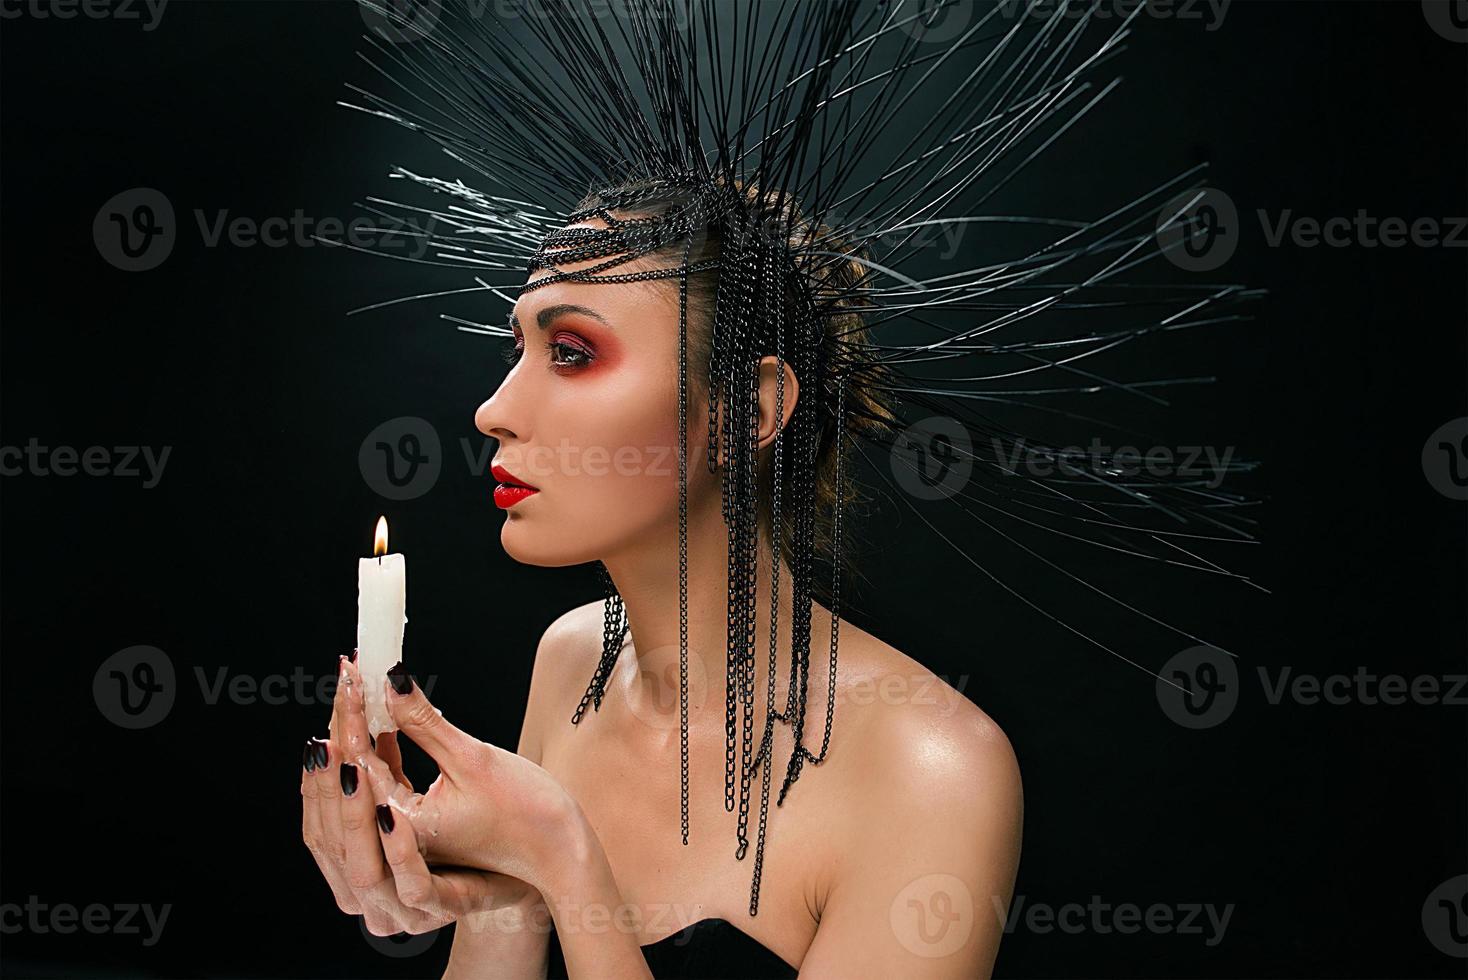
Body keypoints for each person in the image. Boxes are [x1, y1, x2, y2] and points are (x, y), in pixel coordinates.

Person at [301, 1, 1255, 976]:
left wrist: (560, 855)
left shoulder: (933, 767)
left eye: (574, 351)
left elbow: (560, 857)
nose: (493, 410)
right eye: (518, 348)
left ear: (749, 408)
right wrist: (505, 885)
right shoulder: (571, 659)